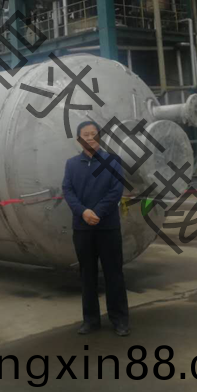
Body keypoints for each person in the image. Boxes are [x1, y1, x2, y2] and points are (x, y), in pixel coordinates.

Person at [62, 120, 130, 337]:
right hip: (82, 229)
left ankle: (119, 320)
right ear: (79, 139)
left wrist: (97, 212)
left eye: (94, 134)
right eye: (86, 134)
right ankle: (90, 320)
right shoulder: (72, 164)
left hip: (108, 227)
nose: (90, 138)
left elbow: (116, 190)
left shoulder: (113, 161)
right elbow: (68, 190)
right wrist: (83, 212)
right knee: (87, 275)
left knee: (114, 274)